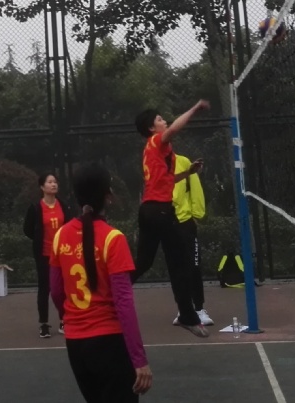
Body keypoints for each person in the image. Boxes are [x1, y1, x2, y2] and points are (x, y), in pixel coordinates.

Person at [51, 163, 152, 402]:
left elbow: (56, 291)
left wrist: (71, 319)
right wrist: (139, 360)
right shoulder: (113, 239)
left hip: (75, 345)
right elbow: (124, 304)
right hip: (109, 342)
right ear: (108, 196)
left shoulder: (60, 236)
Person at [132, 99, 210, 337]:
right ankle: (188, 316)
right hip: (161, 211)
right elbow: (175, 128)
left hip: (149, 211)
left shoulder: (156, 151)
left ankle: (109, 292)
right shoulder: (157, 140)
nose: (164, 121)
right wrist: (195, 108)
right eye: (159, 119)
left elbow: (166, 180)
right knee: (180, 264)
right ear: (151, 128)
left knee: (143, 263)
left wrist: (188, 173)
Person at [23, 171, 71, 338]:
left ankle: (64, 320)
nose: (53, 184)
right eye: (50, 182)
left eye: (55, 182)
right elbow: (28, 229)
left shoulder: (63, 205)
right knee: (45, 288)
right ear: (42, 187)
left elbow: (70, 226)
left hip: (63, 253)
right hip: (44, 254)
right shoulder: (36, 208)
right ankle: (43, 324)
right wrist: (39, 239)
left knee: (63, 288)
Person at [171, 153, 213, 326]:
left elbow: (195, 190)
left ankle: (199, 309)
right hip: (167, 224)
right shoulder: (153, 164)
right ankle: (184, 309)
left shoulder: (183, 162)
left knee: (193, 266)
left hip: (185, 223)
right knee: (176, 269)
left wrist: (196, 215)